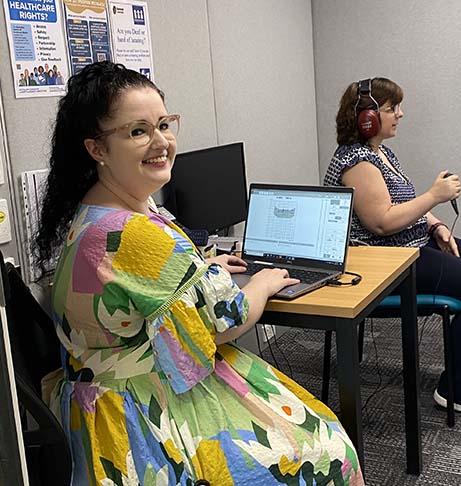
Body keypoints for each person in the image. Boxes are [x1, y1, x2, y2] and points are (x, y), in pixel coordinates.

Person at [32, 61, 364, 485]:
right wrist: (262, 283)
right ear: (97, 149)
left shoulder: (98, 212)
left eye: (164, 125)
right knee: (328, 447)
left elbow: (143, 288)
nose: (161, 142)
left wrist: (200, 269)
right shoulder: (136, 235)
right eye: (138, 131)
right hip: (137, 412)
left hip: (98, 398)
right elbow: (224, 325)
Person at [324, 78, 461, 417]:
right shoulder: (358, 163)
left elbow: (405, 202)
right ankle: (460, 389)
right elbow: (381, 222)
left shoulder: (381, 152)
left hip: (413, 244)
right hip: (386, 261)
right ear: (366, 117)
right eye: (391, 108)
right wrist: (434, 196)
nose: (401, 114)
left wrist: (435, 223)